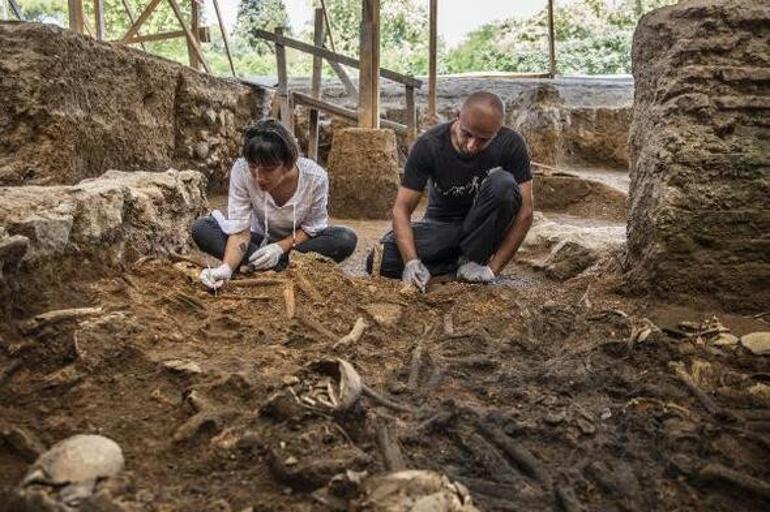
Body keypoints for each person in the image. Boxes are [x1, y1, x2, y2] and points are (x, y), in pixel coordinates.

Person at [367, 91, 534, 290]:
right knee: (381, 258)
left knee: (503, 184)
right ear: (457, 115)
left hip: (485, 232)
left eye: (483, 140)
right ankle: (455, 269)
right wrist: (411, 262)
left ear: (497, 132)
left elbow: (526, 211)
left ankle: (472, 262)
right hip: (443, 230)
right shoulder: (429, 145)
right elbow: (401, 209)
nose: (472, 145)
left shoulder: (511, 144)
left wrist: (493, 269)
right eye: (467, 134)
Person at [191, 119, 357, 290]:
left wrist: (279, 248)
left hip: (298, 245)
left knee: (345, 238)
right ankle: (279, 267)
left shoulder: (315, 178)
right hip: (257, 241)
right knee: (202, 228)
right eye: (253, 166)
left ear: (287, 164)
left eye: (269, 169)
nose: (259, 177)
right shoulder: (241, 171)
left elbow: (312, 227)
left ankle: (263, 265)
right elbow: (240, 230)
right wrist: (226, 268)